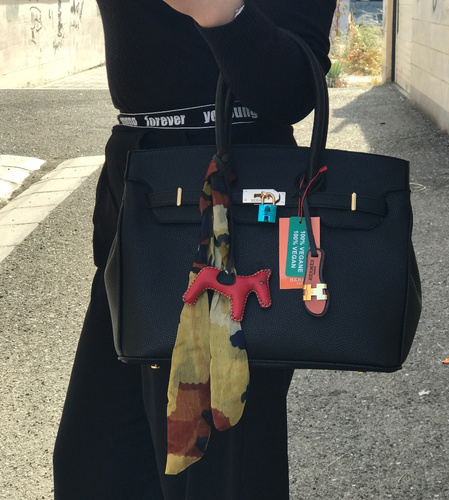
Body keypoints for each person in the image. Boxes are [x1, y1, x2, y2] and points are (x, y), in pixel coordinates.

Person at [53, 1, 336, 498]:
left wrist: (219, 10)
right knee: (97, 464)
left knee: (215, 473)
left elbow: (295, 88)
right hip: (138, 193)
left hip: (233, 208)